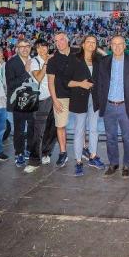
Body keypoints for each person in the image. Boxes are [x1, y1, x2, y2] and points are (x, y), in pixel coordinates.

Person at [95, 35, 129, 177]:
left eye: (120, 44)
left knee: (128, 138)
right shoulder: (104, 61)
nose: (117, 46)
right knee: (110, 137)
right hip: (108, 105)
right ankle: (113, 163)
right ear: (110, 46)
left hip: (125, 105)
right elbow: (100, 83)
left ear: (125, 45)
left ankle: (127, 164)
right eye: (114, 44)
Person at [65, 35, 106, 177]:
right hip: (79, 99)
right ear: (82, 44)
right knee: (79, 131)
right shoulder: (74, 59)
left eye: (93, 42)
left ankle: (93, 156)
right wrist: (81, 84)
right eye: (88, 42)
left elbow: (109, 59)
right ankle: (78, 161)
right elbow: (66, 81)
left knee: (94, 129)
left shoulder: (99, 60)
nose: (90, 44)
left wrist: (99, 50)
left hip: (94, 99)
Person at [46, 32, 75, 167]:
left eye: (62, 39)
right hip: (61, 97)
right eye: (56, 40)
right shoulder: (52, 60)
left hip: (78, 95)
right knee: (60, 125)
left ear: (67, 40)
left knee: (82, 125)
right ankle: (63, 152)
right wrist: (55, 99)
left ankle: (85, 150)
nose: (59, 42)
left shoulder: (78, 52)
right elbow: (50, 82)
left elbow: (95, 51)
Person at [5, 39, 34, 168]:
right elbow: (11, 84)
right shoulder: (11, 63)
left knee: (33, 127)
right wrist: (26, 72)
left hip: (33, 97)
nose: (24, 49)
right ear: (17, 48)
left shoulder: (35, 60)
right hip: (19, 99)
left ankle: (29, 149)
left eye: (27, 46)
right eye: (21, 47)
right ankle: (19, 153)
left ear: (30, 47)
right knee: (20, 129)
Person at [25, 39, 52, 173]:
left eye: (44, 47)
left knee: (51, 128)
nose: (42, 50)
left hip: (53, 97)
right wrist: (46, 62)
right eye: (39, 47)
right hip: (41, 99)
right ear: (36, 49)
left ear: (48, 47)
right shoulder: (34, 62)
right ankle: (34, 160)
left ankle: (46, 153)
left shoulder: (53, 58)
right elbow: (39, 78)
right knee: (38, 131)